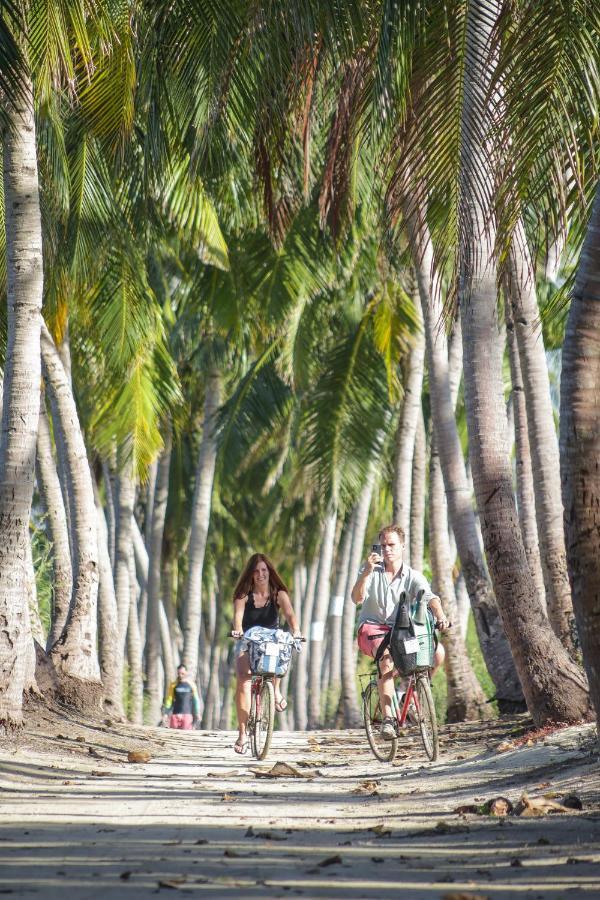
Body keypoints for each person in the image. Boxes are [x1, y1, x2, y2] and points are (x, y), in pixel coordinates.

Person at [351, 524, 450, 739]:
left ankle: (409, 694)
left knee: (437, 652)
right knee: (386, 660)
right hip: (371, 629)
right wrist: (366, 572)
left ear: (402, 546)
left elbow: (429, 597)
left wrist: (441, 616)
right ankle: (388, 719)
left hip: (400, 633)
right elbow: (357, 598)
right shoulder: (370, 570)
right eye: (383, 545)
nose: (387, 549)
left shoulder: (412, 575)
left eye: (392, 545)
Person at [231, 554, 301, 754]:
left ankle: (275, 690)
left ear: (269, 572)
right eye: (256, 571)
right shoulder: (243, 596)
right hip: (248, 640)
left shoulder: (279, 594)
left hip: (271, 641)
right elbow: (238, 617)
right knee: (244, 678)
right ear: (251, 574)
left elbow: (290, 615)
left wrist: (296, 631)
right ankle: (243, 732)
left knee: (280, 654)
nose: (261, 574)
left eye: (264, 570)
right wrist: (238, 630)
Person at [162, 664, 200, 730]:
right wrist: (166, 713)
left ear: (186, 672)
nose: (180, 675)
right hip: (175, 715)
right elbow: (169, 700)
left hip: (187, 715)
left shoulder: (191, 685)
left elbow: (196, 700)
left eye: (182, 673)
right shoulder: (173, 685)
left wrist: (197, 713)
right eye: (179, 673)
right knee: (173, 736)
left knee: (186, 736)